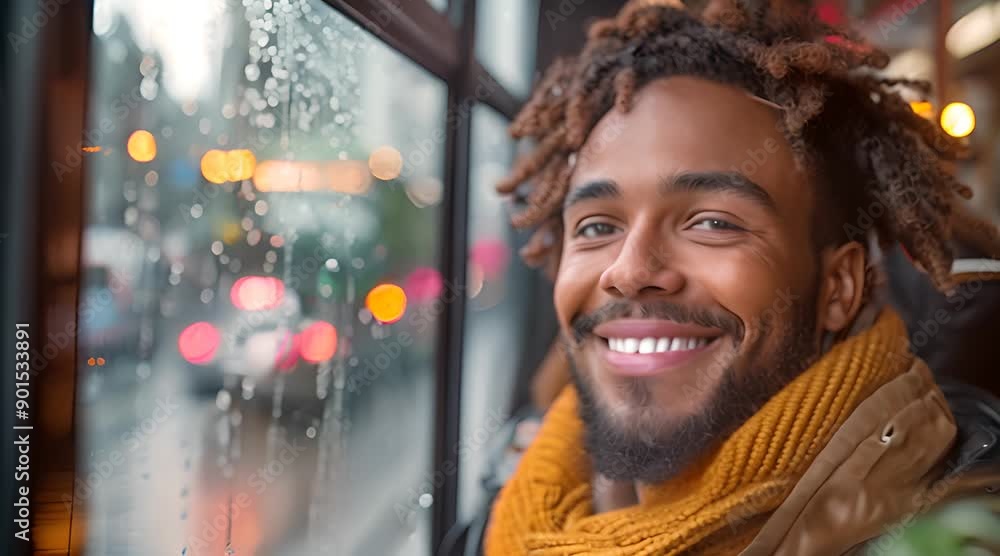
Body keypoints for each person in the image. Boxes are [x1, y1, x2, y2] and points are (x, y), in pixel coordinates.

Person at [482, 1, 1000, 554]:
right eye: (596, 226)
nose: (628, 271)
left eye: (712, 222)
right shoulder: (525, 492)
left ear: (838, 288)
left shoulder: (955, 527)